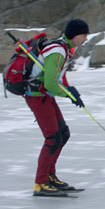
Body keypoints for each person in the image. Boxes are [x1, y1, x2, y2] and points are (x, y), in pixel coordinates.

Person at [25, 19, 89, 196]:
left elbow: (59, 77)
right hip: (37, 96)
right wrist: (69, 94)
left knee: (63, 134)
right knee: (53, 137)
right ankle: (41, 183)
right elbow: (51, 83)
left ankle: (50, 177)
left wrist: (71, 92)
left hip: (45, 95)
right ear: (75, 35)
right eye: (84, 35)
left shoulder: (66, 49)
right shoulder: (58, 50)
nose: (85, 39)